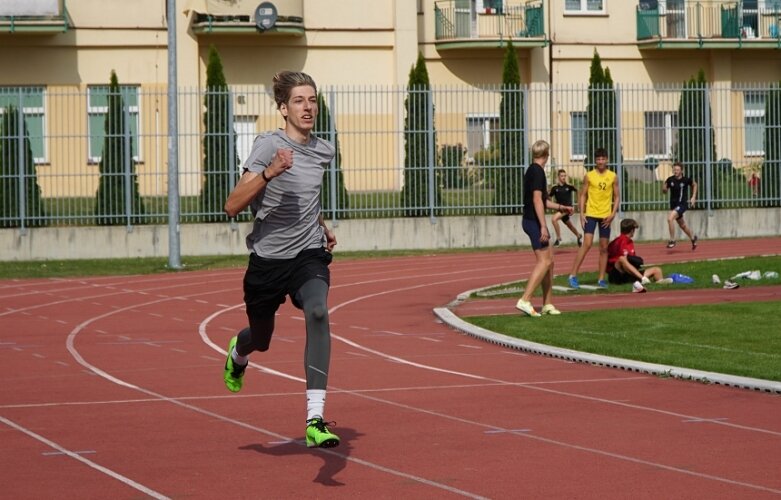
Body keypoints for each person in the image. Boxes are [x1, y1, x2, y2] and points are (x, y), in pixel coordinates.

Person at [222, 71, 340, 448]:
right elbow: (232, 205)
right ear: (283, 108)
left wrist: (322, 225)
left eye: (312, 100)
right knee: (262, 338)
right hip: (268, 261)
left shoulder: (323, 150)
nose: (308, 108)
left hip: (307, 253)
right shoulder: (266, 145)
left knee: (318, 312)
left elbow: (307, 198)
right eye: (299, 101)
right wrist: (270, 172)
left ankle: (314, 419)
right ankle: (239, 354)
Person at [516, 140, 574, 317]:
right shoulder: (538, 172)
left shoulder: (533, 170)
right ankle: (525, 299)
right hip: (533, 221)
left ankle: (548, 303)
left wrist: (561, 208)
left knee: (550, 262)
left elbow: (544, 201)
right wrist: (543, 226)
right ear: (546, 155)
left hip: (534, 220)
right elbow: (536, 200)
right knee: (544, 261)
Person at [567, 147, 620, 289]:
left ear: (607, 160)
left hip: (605, 216)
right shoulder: (589, 176)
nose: (601, 161)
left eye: (603, 159)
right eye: (598, 159)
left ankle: (601, 279)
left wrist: (613, 213)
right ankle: (573, 275)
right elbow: (583, 194)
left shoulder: (613, 176)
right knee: (587, 243)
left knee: (603, 248)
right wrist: (582, 213)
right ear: (595, 161)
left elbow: (617, 196)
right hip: (591, 214)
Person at [607, 218, 665, 293]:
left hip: (629, 273)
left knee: (657, 270)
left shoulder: (630, 242)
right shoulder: (617, 242)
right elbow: (616, 261)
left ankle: (660, 283)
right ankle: (643, 278)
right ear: (632, 230)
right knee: (622, 259)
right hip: (617, 274)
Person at [662, 161, 698, 250]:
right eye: (674, 170)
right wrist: (664, 189)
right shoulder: (670, 180)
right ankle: (693, 238)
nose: (676, 171)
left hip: (682, 204)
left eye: (677, 170)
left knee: (670, 219)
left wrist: (693, 197)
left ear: (681, 171)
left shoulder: (686, 180)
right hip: (673, 205)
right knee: (683, 225)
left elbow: (695, 184)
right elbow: (664, 191)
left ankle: (672, 240)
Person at [549, 169, 582, 247]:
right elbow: (549, 197)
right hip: (560, 209)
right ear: (558, 177)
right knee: (569, 225)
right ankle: (578, 235)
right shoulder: (554, 188)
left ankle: (558, 238)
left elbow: (578, 191)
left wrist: (578, 204)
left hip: (568, 209)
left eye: (564, 176)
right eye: (562, 176)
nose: (563, 177)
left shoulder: (569, 186)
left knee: (554, 219)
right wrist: (553, 206)